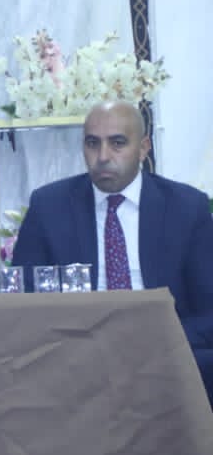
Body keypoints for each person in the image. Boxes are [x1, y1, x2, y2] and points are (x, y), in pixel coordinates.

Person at [12, 99, 213, 400]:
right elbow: (21, 303)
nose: (103, 156)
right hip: (77, 354)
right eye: (92, 143)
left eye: (117, 143)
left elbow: (209, 310)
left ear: (143, 148)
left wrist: (156, 339)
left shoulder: (186, 207)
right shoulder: (49, 206)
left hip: (164, 349)